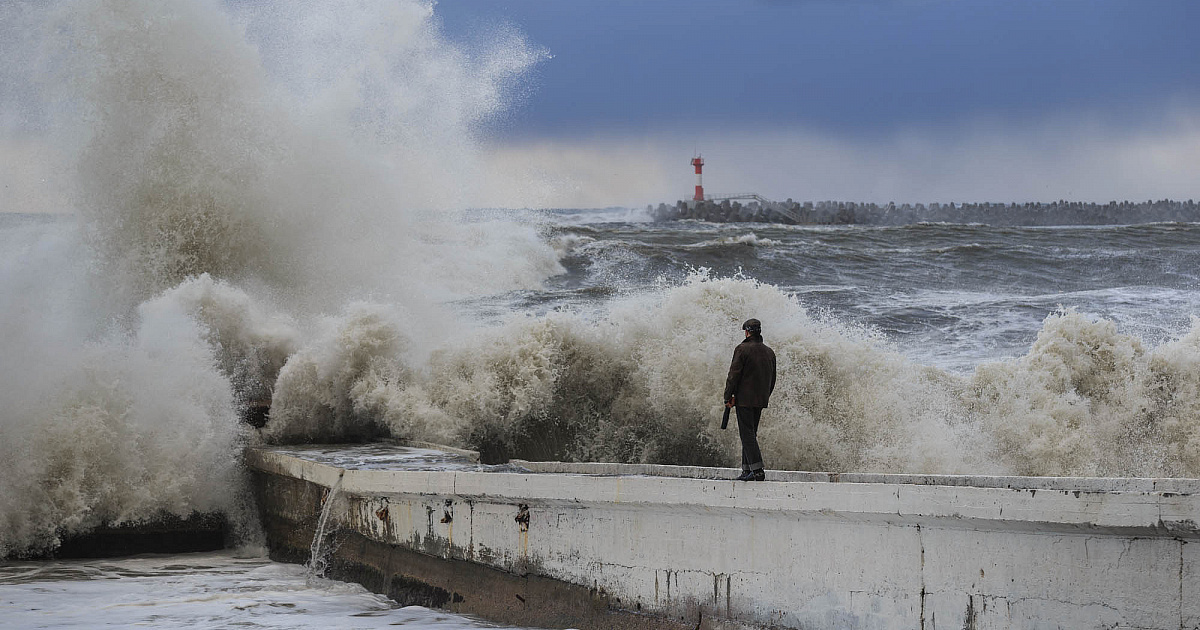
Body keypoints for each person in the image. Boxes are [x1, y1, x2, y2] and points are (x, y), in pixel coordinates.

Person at [723, 318, 777, 481]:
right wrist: (765, 395)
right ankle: (747, 470)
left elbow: (733, 375)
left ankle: (757, 470)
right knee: (750, 434)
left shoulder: (742, 349)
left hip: (744, 399)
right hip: (760, 399)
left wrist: (728, 396)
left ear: (747, 332)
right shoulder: (769, 352)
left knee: (747, 435)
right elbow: (772, 378)